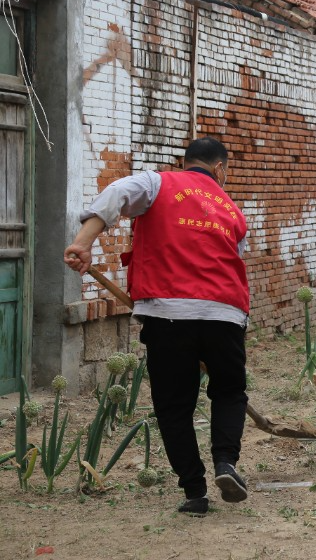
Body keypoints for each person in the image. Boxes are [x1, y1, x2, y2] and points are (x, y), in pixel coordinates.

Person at [64, 137, 249, 516]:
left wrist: (83, 242)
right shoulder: (232, 209)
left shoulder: (157, 183)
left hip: (167, 312)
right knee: (229, 392)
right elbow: (234, 259)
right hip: (225, 312)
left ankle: (195, 492)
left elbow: (117, 193)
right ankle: (225, 463)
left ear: (187, 163)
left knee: (174, 405)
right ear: (220, 169)